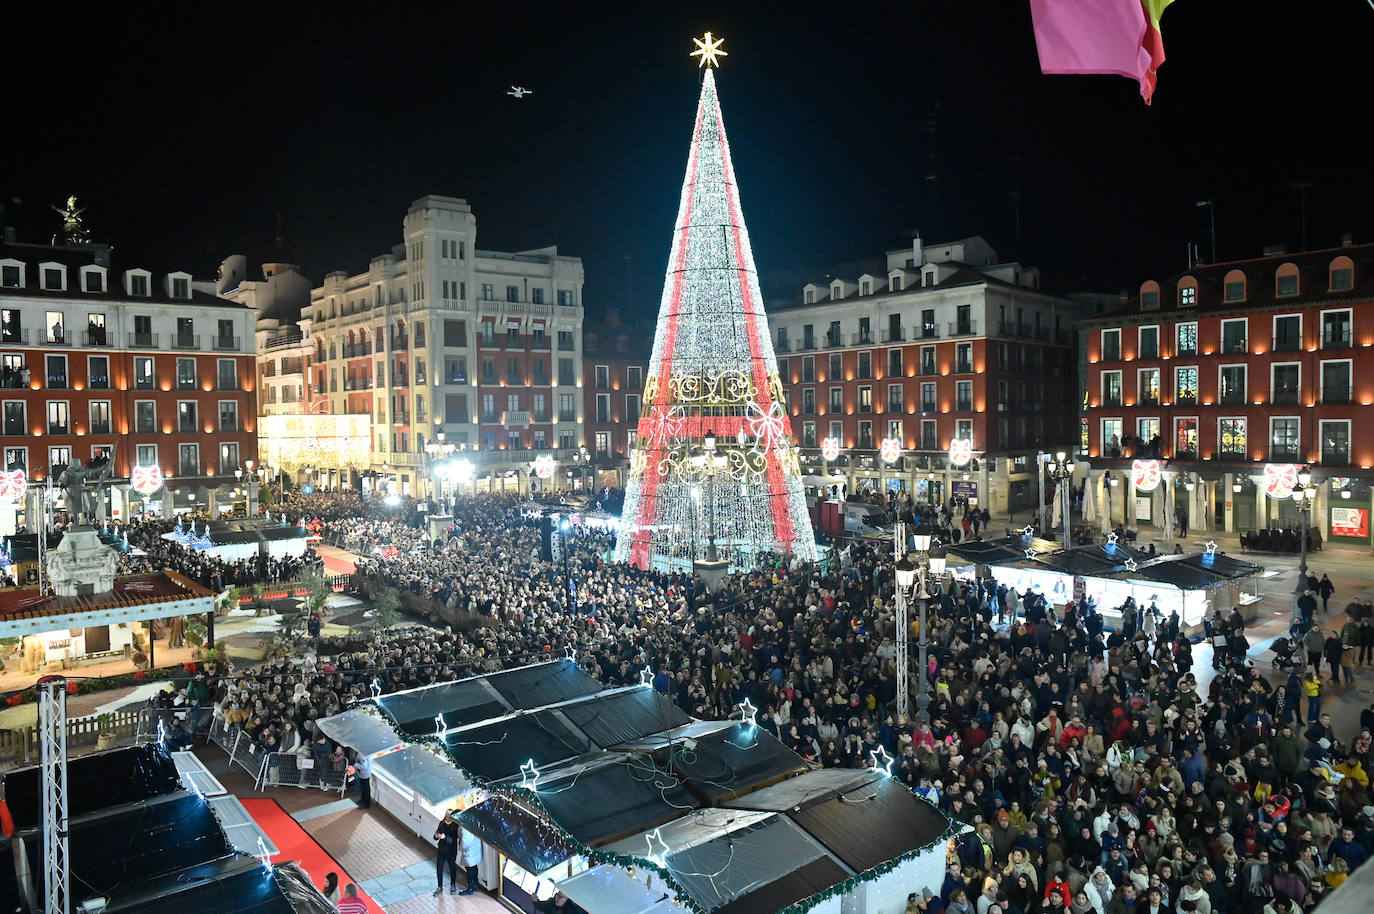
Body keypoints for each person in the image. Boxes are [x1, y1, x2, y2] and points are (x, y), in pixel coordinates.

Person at [434, 808, 460, 895]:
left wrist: (445, 837)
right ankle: (439, 886)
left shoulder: (455, 826)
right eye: (446, 815)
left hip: (451, 851)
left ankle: (453, 885)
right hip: (441, 850)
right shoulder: (441, 823)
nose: (447, 817)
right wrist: (436, 835)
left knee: (452, 868)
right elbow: (436, 836)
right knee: (439, 868)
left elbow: (453, 840)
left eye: (449, 815)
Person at [459, 824, 483, 895]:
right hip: (475, 850)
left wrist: (460, 847)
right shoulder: (473, 824)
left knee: (469, 869)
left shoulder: (465, 828)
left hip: (469, 852)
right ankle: (475, 885)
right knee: (474, 867)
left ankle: (470, 888)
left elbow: (465, 843)